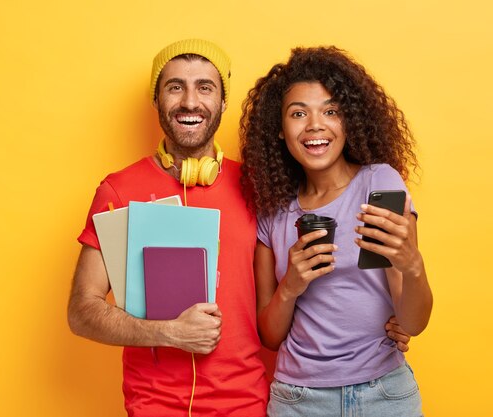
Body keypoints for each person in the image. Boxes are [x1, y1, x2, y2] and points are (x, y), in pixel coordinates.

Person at [68, 39, 412, 417]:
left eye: (205, 87)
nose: (189, 101)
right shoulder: (118, 190)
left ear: (223, 102)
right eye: (175, 86)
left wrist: (383, 319)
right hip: (153, 405)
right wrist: (167, 333)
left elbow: (309, 285)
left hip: (246, 403)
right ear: (156, 100)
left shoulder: (260, 188)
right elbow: (82, 310)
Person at [239, 46, 433, 416]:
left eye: (330, 111)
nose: (315, 124)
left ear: (349, 121)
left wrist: (413, 267)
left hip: (384, 393)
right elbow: (270, 335)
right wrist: (292, 285)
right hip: (299, 400)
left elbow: (412, 323)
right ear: (279, 131)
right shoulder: (274, 212)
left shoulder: (379, 185)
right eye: (299, 113)